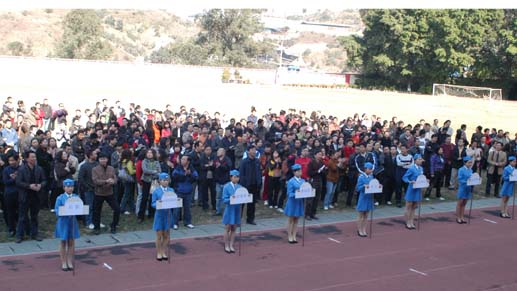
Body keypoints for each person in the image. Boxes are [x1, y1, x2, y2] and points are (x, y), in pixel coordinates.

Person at [16, 150, 46, 243]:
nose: (34, 159)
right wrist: (29, 186)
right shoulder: (21, 169)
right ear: (27, 159)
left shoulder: (39, 169)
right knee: (22, 217)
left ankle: (34, 233)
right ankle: (19, 235)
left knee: (34, 216)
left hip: (36, 196)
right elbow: (18, 182)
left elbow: (44, 180)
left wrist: (41, 185)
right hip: (25, 195)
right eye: (32, 157)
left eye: (35, 157)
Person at [54, 179, 80, 271]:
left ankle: (69, 261)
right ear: (64, 188)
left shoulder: (76, 197)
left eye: (71, 187)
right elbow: (57, 210)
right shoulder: (60, 198)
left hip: (72, 222)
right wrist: (64, 212)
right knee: (63, 241)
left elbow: (80, 207)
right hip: (63, 222)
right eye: (68, 187)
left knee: (71, 242)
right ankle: (63, 262)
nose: (70, 188)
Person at [92, 152, 120, 234]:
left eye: (104, 159)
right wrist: (106, 181)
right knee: (96, 211)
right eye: (101, 159)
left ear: (107, 159)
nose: (103, 160)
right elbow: (95, 181)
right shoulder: (95, 169)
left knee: (117, 209)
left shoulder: (111, 168)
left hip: (110, 193)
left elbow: (115, 178)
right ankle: (96, 227)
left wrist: (113, 181)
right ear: (99, 160)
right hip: (99, 193)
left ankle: (113, 226)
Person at [151, 173, 174, 261]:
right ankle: (159, 252)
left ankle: (163, 251)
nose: (165, 182)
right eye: (163, 180)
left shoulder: (171, 190)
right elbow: (152, 203)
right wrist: (159, 203)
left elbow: (174, 201)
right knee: (159, 235)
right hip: (159, 215)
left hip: (168, 215)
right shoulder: (156, 191)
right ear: (160, 181)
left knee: (166, 235)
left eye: (167, 180)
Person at [172, 155, 198, 229]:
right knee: (177, 208)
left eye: (184, 159)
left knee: (187, 208)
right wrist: (184, 175)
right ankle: (175, 223)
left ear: (188, 161)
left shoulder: (191, 169)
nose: (182, 160)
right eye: (182, 159)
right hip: (179, 191)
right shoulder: (178, 167)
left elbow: (196, 177)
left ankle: (187, 222)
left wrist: (189, 175)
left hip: (188, 191)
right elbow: (174, 176)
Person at [239, 145, 262, 225]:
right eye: (252, 150)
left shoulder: (257, 161)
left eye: (255, 150)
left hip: (254, 185)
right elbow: (241, 174)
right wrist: (242, 184)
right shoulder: (244, 162)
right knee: (241, 203)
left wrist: (259, 182)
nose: (254, 151)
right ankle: (238, 219)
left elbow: (259, 172)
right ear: (248, 151)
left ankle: (250, 219)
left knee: (252, 203)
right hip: (245, 185)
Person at [402, 154, 425, 230]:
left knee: (414, 206)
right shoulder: (411, 168)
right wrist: (409, 181)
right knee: (409, 206)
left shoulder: (421, 168)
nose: (420, 160)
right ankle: (408, 222)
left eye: (421, 159)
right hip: (412, 188)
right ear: (415, 160)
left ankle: (412, 221)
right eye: (418, 159)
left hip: (418, 189)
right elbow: (405, 177)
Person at [222, 170, 242, 253]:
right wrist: (232, 198)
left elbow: (242, 197)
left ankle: (231, 245)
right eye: (234, 177)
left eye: (237, 177)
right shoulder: (226, 187)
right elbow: (224, 199)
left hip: (237, 209)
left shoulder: (240, 187)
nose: (236, 179)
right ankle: (226, 245)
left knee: (234, 228)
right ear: (231, 177)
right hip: (230, 209)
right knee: (227, 228)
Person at [284, 164, 305, 244]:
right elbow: (289, 193)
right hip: (292, 202)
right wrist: (298, 193)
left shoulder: (303, 181)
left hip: (299, 202)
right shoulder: (291, 181)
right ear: (294, 172)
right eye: (298, 171)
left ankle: (294, 235)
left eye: (301, 171)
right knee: (291, 220)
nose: (300, 172)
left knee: (296, 220)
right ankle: (289, 236)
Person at [355, 162, 375, 237]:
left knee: (366, 214)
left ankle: (364, 229)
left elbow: (373, 186)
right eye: (369, 169)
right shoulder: (361, 177)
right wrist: (364, 186)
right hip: (363, 197)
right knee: (361, 214)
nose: (370, 171)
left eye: (371, 169)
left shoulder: (371, 177)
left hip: (369, 197)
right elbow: (358, 188)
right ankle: (359, 229)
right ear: (365, 169)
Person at [456, 156, 474, 224]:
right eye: (469, 163)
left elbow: (472, 178)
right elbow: (460, 179)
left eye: (471, 163)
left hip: (468, 188)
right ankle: (458, 217)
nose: (470, 164)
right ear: (465, 163)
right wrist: (467, 181)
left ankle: (462, 217)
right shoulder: (461, 169)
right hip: (463, 188)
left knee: (464, 204)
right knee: (460, 203)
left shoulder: (471, 170)